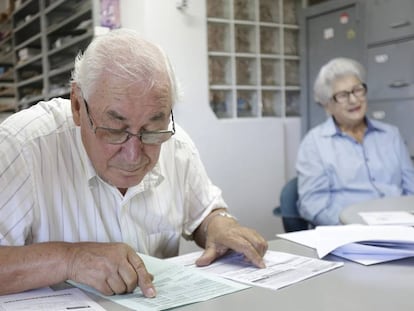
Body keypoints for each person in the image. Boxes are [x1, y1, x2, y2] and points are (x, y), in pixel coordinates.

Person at [0, 28, 267, 297]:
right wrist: (69, 259)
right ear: (78, 106)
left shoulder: (175, 144)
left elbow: (205, 213)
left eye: (151, 130)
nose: (133, 154)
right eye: (115, 131)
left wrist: (220, 225)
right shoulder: (22, 146)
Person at [296, 57, 414, 226]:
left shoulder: (391, 135)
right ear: (327, 105)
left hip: (401, 230)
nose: (353, 100)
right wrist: (356, 228)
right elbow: (313, 206)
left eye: (357, 90)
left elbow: (411, 190)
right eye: (342, 95)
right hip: (348, 233)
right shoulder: (314, 143)